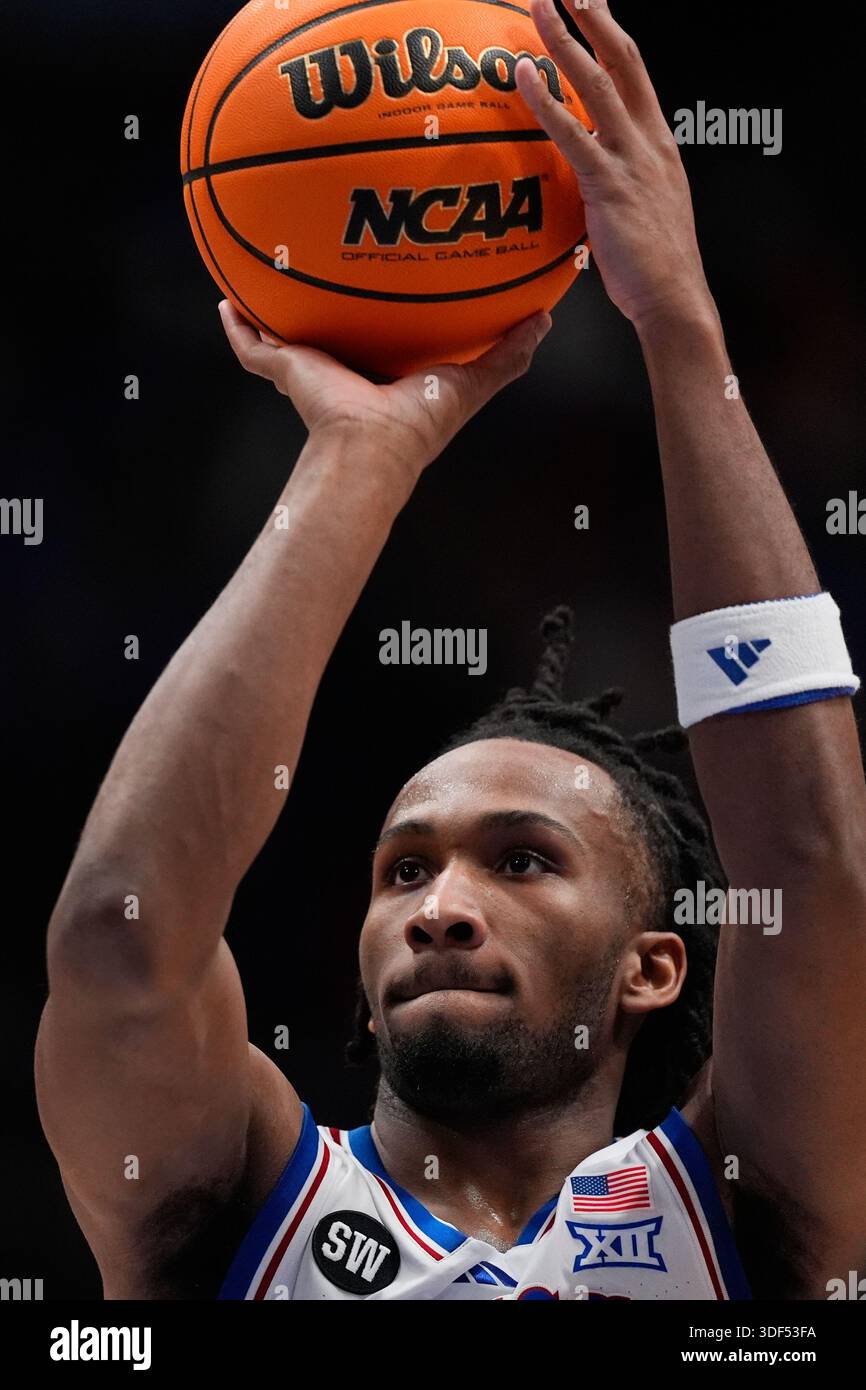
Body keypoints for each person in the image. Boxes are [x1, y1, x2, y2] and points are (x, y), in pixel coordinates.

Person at [36, 0, 866, 1300]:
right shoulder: (229, 1206)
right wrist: (362, 459)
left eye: (524, 858)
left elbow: (809, 868)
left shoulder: (753, 1217)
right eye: (401, 867)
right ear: (358, 987)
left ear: (654, 963)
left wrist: (683, 337)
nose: (437, 903)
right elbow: (116, 937)